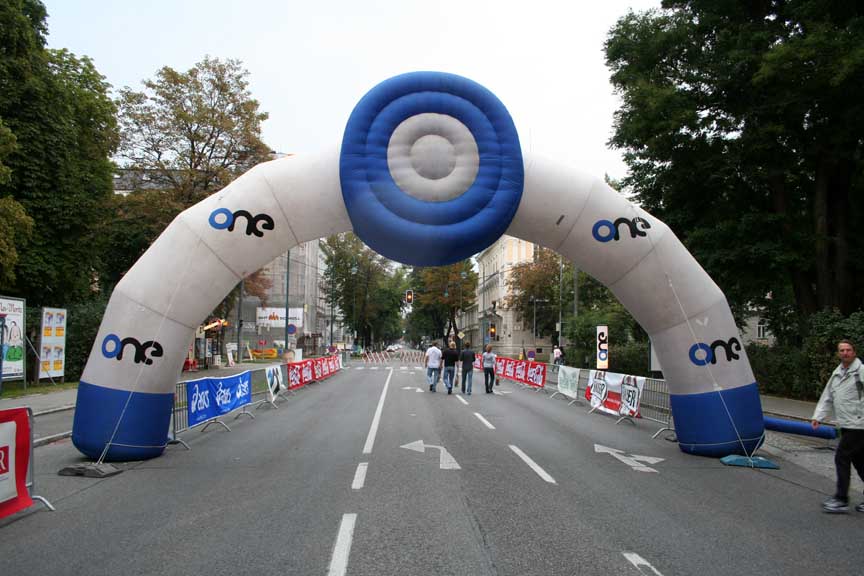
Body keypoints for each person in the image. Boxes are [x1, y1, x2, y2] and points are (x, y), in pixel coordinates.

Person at [811, 339, 864, 514]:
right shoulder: (837, 373)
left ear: (854, 352)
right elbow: (827, 396)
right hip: (846, 423)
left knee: (842, 456)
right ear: (838, 353)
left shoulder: (860, 371)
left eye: (848, 350)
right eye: (842, 350)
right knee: (859, 461)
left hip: (859, 423)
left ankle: (841, 499)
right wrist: (818, 417)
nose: (845, 353)